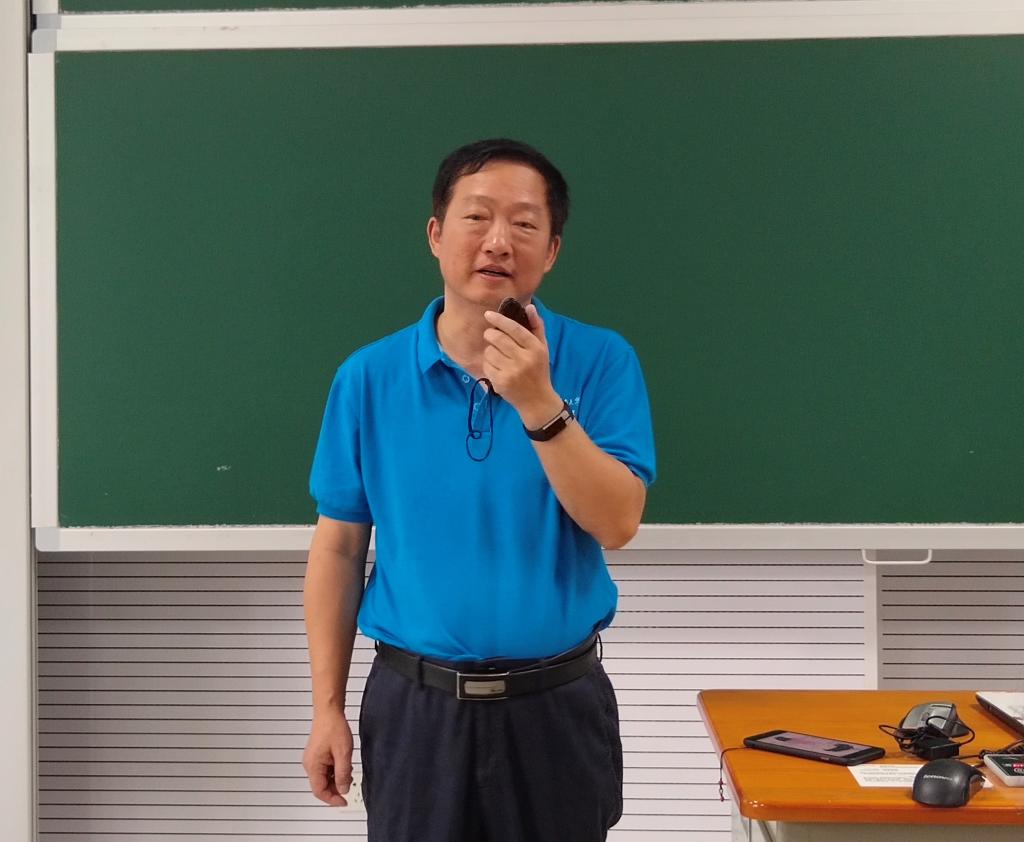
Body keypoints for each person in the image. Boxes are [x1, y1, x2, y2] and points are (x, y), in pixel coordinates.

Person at [302, 138, 656, 841]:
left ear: (551, 251)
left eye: (524, 224)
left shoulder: (602, 361)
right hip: (416, 710)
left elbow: (617, 522)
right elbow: (339, 549)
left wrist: (539, 402)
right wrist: (326, 709)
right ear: (436, 234)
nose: (499, 241)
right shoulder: (368, 378)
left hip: (555, 707)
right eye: (477, 217)